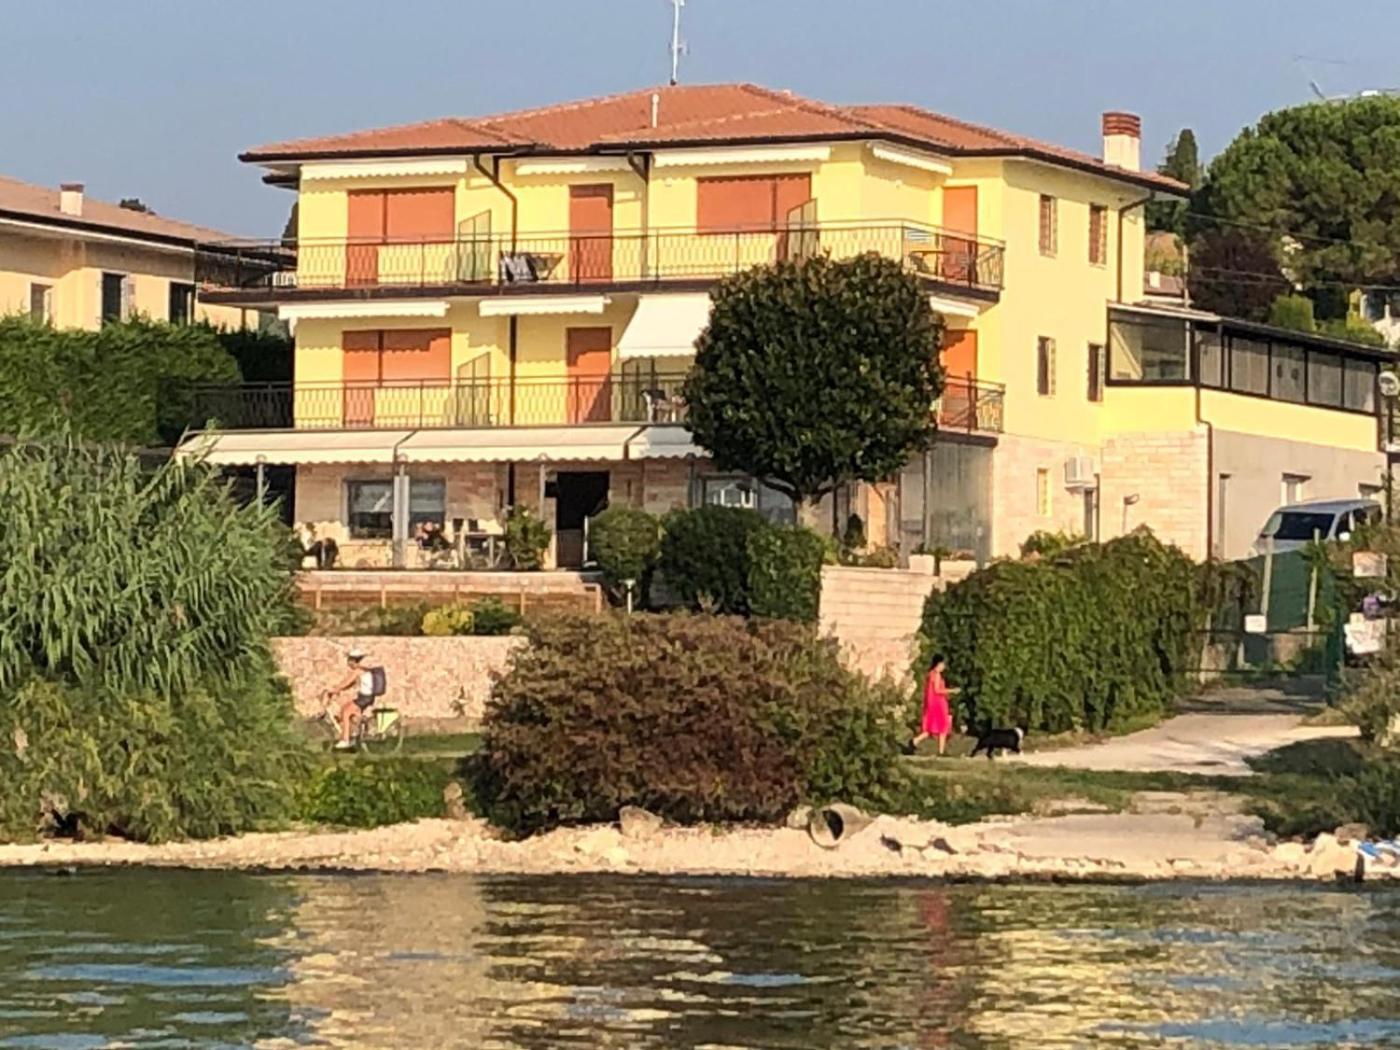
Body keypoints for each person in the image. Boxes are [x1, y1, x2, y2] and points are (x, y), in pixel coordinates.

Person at [325, 648, 376, 750]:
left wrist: (334, 690)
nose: (348, 662)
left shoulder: (358, 671)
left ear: (353, 660)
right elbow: (350, 684)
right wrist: (339, 690)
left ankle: (345, 740)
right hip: (365, 697)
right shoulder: (363, 670)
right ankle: (354, 733)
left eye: (349, 660)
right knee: (347, 709)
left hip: (365, 698)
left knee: (346, 712)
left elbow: (346, 682)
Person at [912, 653, 953, 756]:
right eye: (943, 664)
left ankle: (915, 741)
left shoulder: (931, 674)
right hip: (938, 704)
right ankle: (941, 751)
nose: (944, 666)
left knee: (930, 728)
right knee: (943, 727)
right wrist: (951, 691)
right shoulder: (936, 675)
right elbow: (937, 690)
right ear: (938, 664)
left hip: (932, 703)